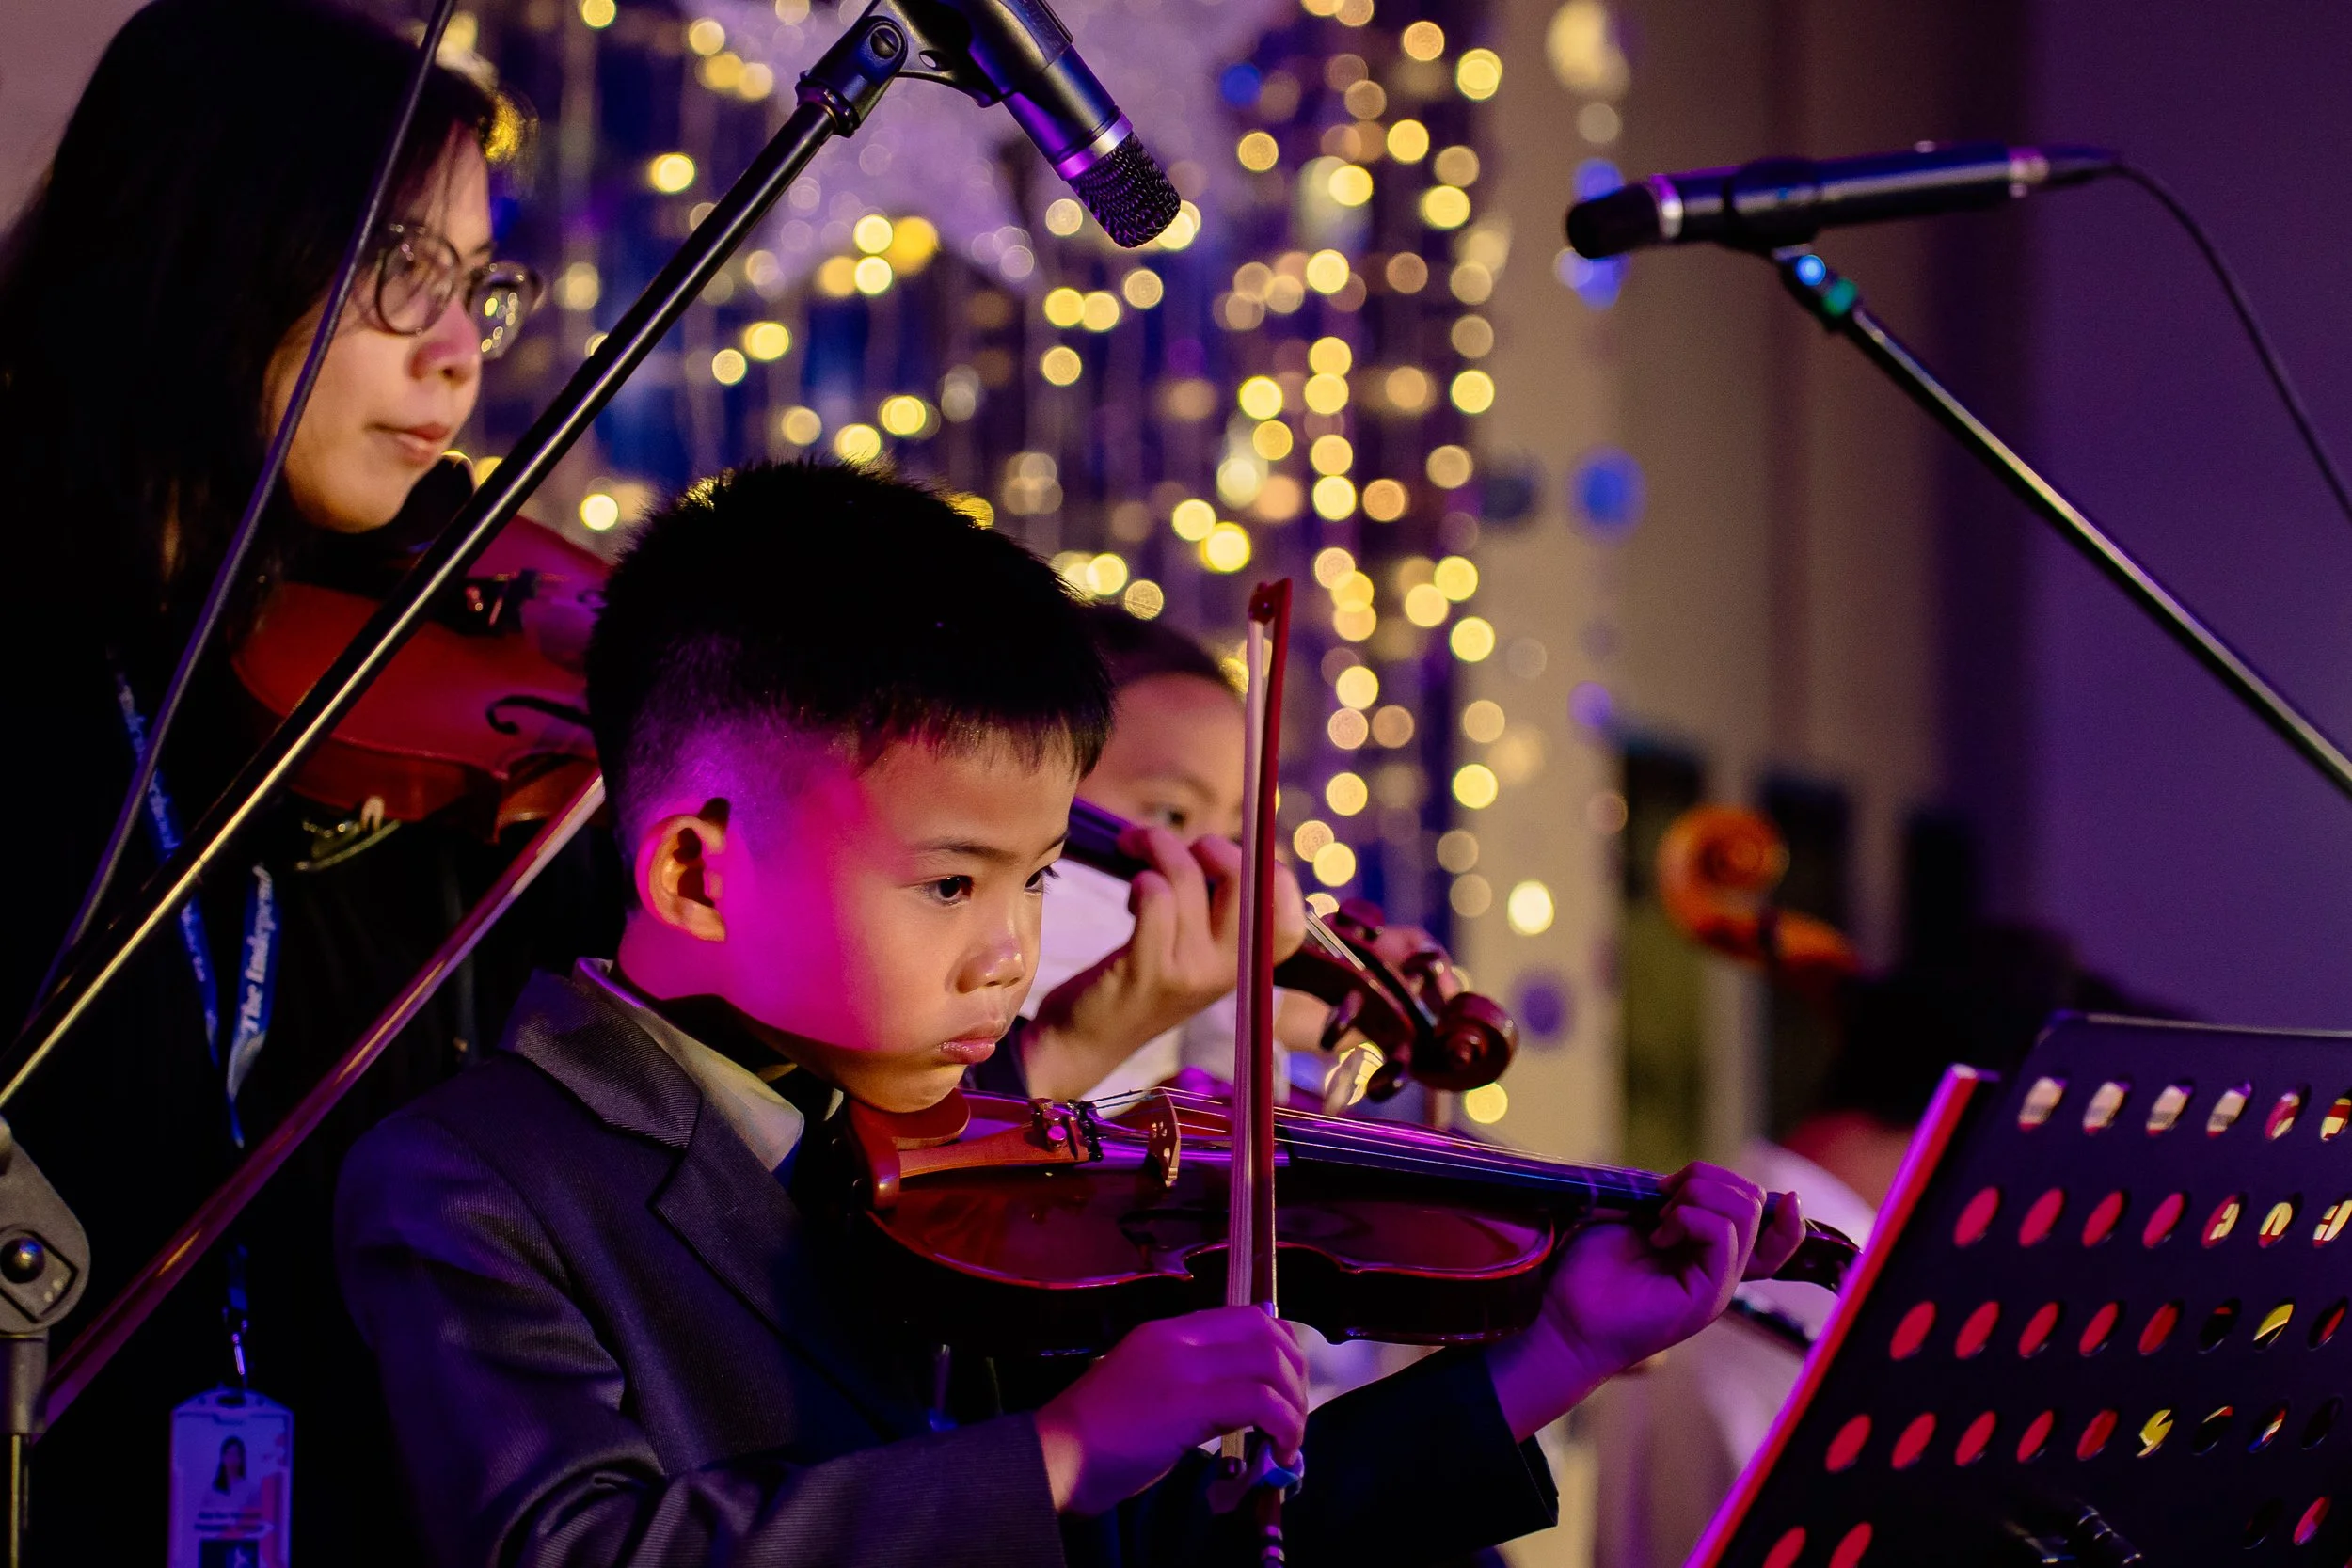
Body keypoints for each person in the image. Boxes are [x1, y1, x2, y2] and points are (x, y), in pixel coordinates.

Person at [336, 461, 1807, 1566]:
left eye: (1037, 875)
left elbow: (1189, 1547)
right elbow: (577, 1546)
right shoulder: (471, 1177)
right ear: (696, 873)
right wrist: (1051, 1452)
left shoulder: (984, 1181)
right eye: (951, 882)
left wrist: (1553, 1355)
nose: (1011, 950)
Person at [0, 3, 600, 1559]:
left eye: (478, 285)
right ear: (206, 243)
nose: (459, 351)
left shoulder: (403, 723)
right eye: (402, 267)